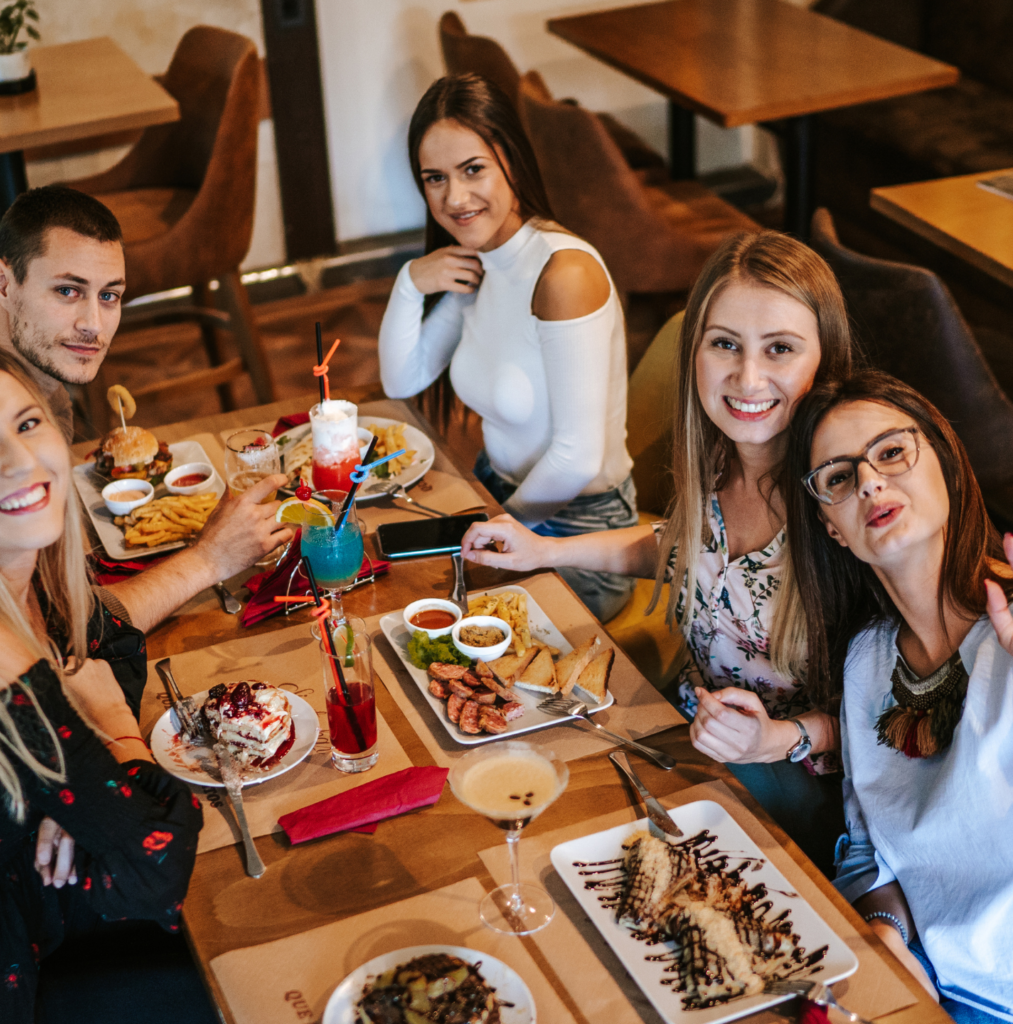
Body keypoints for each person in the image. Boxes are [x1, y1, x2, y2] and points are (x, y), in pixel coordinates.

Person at [462, 231, 854, 876]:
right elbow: (674, 549)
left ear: (826, 358)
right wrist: (543, 547)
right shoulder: (721, 456)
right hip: (683, 735)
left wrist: (780, 738)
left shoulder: (843, 496)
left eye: (779, 349)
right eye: (724, 344)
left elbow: (902, 713)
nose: (747, 377)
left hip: (798, 793)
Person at [786, 369, 1013, 1023]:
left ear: (942, 459)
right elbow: (869, 852)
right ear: (833, 527)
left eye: (890, 452)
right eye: (838, 478)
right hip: (915, 981)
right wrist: (883, 932)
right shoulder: (865, 662)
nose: (868, 482)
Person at [0, 346, 202, 1022]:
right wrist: (110, 728)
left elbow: (110, 647)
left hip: (47, 911)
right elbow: (153, 867)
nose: (20, 462)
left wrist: (67, 794)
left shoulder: (33, 578)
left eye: (26, 424)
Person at [378, 74, 637, 622]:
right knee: (383, 589)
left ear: (512, 162)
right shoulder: (478, 259)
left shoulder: (563, 272)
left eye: (473, 170)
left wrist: (493, 529)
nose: (454, 197)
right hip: (500, 492)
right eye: (435, 178)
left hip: (581, 531)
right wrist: (409, 282)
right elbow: (402, 380)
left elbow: (578, 456)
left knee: (420, 616)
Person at [0, 185, 294, 632]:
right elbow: (62, 635)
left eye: (109, 295)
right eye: (68, 291)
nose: (93, 324)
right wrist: (209, 559)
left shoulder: (43, 382)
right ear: (2, 283)